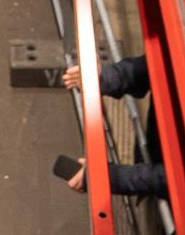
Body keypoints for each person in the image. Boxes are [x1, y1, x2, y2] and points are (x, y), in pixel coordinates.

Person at [58, 56, 165, 200]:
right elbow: (158, 63)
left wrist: (107, 178)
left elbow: (180, 179)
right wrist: (104, 77)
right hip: (155, 152)